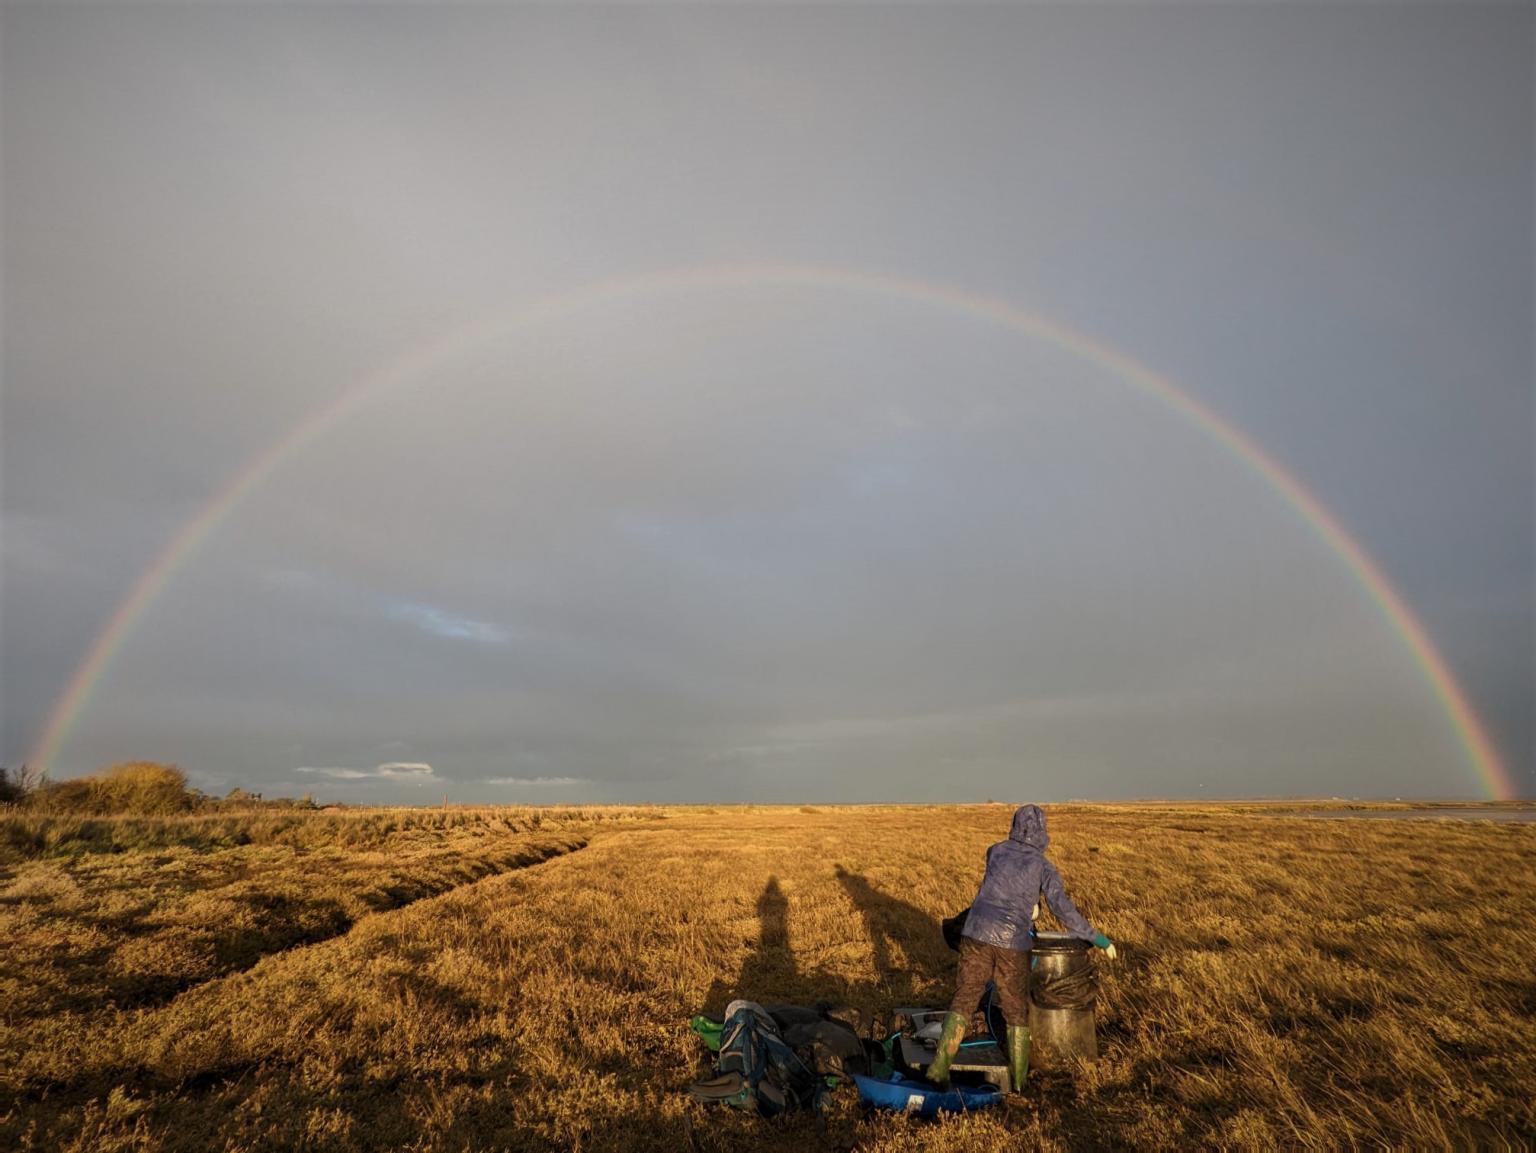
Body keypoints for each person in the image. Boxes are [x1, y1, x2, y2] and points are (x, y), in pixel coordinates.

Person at [926, 804, 1116, 1092]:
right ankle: (1018, 1083)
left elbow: (1001, 884)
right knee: (1016, 1011)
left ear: (1014, 825)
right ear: (1043, 832)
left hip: (975, 934)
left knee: (964, 998)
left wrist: (1030, 903)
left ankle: (939, 1070)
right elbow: (1063, 909)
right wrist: (1098, 939)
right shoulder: (1043, 867)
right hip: (1012, 943)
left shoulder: (995, 851)